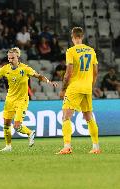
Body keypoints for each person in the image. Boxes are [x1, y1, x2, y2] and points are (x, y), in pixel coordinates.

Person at [0, 47, 57, 151]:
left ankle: (30, 133)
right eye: (9, 58)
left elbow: (39, 76)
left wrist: (49, 82)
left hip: (22, 100)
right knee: (6, 124)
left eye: (12, 58)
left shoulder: (25, 68)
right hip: (9, 99)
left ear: (18, 57)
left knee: (16, 126)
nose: (10, 60)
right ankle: (8, 146)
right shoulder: (4, 69)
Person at [57, 27, 101, 155]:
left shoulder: (71, 51)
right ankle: (96, 146)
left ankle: (67, 146)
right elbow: (96, 72)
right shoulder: (91, 51)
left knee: (66, 116)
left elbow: (68, 72)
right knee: (89, 117)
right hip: (87, 87)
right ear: (82, 36)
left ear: (72, 37)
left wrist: (63, 89)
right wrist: (91, 86)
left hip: (75, 87)